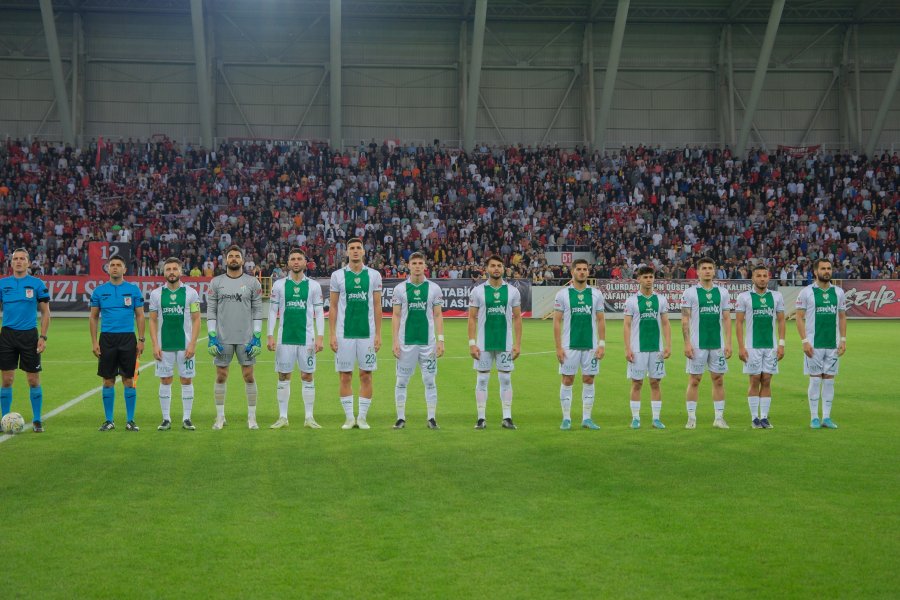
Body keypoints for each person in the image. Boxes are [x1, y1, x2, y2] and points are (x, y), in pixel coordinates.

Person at [206, 245, 263, 430]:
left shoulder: (253, 282)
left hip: (246, 338)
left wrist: (257, 336)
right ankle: (220, 417)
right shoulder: (216, 282)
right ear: (225, 260)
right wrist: (212, 335)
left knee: (248, 376)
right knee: (221, 376)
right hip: (223, 338)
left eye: (237, 256)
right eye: (230, 256)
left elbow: (257, 310)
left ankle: (252, 417)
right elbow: (211, 310)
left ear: (243, 260)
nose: (233, 259)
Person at [267, 248, 325, 429]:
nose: (296, 261)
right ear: (288, 263)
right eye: (293, 259)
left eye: (299, 258)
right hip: (285, 338)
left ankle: (309, 417)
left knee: (307, 376)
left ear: (305, 262)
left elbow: (319, 313)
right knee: (283, 376)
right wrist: (270, 334)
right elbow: (272, 311)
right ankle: (283, 417)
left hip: (307, 338)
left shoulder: (314, 286)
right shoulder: (279, 285)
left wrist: (320, 337)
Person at [329, 238, 383, 430]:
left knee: (366, 375)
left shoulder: (374, 275)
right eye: (351, 248)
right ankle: (349, 417)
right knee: (345, 375)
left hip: (367, 334)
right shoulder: (337, 276)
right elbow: (333, 307)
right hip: (344, 333)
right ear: (346, 253)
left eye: (358, 248)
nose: (355, 251)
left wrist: (378, 334)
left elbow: (377, 306)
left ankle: (362, 417)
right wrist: (332, 335)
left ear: (363, 252)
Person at [89, 255, 146, 431]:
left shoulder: (133, 290)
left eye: (118, 265)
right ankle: (109, 420)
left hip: (127, 338)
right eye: (112, 265)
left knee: (129, 380)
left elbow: (140, 315)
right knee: (108, 380)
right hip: (107, 339)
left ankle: (130, 420)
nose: (115, 268)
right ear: (107, 269)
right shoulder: (99, 291)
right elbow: (93, 317)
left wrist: (141, 339)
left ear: (124, 269)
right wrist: (94, 342)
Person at [390, 252, 445, 430]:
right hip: (406, 343)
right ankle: (400, 418)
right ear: (408, 265)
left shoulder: (434, 288)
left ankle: (431, 418)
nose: (417, 266)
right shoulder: (399, 289)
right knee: (401, 381)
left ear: (425, 266)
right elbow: (396, 316)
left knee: (430, 380)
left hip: (427, 343)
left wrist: (440, 340)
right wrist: (395, 341)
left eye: (420, 263)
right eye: (414, 263)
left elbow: (437, 315)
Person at [468, 255, 522, 430]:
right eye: (493, 266)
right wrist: (472, 343)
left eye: (499, 265)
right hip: (483, 343)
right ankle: (481, 418)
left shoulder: (513, 291)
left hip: (505, 343)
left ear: (504, 268)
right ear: (487, 269)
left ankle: (507, 417)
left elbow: (517, 319)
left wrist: (517, 344)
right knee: (482, 379)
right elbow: (472, 318)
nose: (496, 268)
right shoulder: (477, 291)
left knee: (505, 379)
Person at [147, 257, 201, 431]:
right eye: (168, 269)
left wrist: (193, 344)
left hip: (185, 345)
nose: (171, 272)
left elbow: (197, 319)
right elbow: (153, 321)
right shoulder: (156, 294)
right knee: (165, 379)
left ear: (181, 271)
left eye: (174, 269)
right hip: (164, 345)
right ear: (163, 272)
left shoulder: (191, 293)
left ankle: (186, 418)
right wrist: (155, 345)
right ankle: (166, 419)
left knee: (186, 379)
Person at [0, 249, 51, 432]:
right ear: (11, 263)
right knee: (7, 380)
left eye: (22, 259)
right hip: (7, 335)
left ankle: (37, 420)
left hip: (29, 336)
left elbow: (46, 313)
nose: (19, 262)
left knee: (33, 380)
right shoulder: (2, 284)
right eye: (16, 259)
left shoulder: (36, 284)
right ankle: (4, 419)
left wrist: (43, 337)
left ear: (28, 263)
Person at [553, 258, 606, 431]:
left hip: (590, 345)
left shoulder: (596, 294)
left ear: (588, 272)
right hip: (569, 346)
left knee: (589, 379)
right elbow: (556, 322)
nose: (582, 272)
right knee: (567, 380)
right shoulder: (563, 294)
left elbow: (600, 320)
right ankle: (566, 418)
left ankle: (587, 418)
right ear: (572, 272)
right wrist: (558, 347)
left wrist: (601, 343)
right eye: (579, 269)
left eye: (585, 269)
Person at [681, 256, 732, 429]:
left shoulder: (723, 292)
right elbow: (685, 319)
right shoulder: (690, 293)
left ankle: (719, 418)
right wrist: (687, 343)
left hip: (717, 344)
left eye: (710, 268)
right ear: (698, 271)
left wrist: (729, 343)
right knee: (695, 380)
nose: (707, 271)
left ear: (714, 270)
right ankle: (691, 418)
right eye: (704, 268)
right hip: (697, 344)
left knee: (718, 379)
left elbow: (726, 318)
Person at [795, 258, 847, 429]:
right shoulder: (806, 292)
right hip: (813, 345)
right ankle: (814, 417)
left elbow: (842, 317)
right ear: (815, 272)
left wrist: (843, 340)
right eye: (823, 268)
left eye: (829, 268)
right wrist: (804, 341)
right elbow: (799, 318)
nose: (827, 271)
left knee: (830, 380)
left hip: (832, 344)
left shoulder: (838, 292)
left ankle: (826, 417)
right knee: (816, 380)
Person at [735, 265, 786, 429]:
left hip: (770, 346)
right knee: (754, 379)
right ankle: (754, 417)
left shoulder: (776, 296)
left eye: (765, 275)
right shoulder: (744, 297)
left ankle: (764, 417)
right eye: (759, 276)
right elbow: (738, 323)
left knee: (767, 380)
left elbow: (781, 321)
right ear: (753, 278)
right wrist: (741, 347)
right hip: (752, 346)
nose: (762, 278)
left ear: (769, 278)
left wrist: (781, 344)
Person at [623, 265, 672, 429]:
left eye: (651, 277)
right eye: (645, 277)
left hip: (656, 349)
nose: (648, 280)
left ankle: (656, 418)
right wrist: (627, 348)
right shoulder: (631, 301)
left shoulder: (661, 299)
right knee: (637, 383)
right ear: (639, 279)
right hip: (637, 349)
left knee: (655, 383)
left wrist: (668, 345)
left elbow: (666, 323)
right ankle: (635, 418)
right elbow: (627, 325)